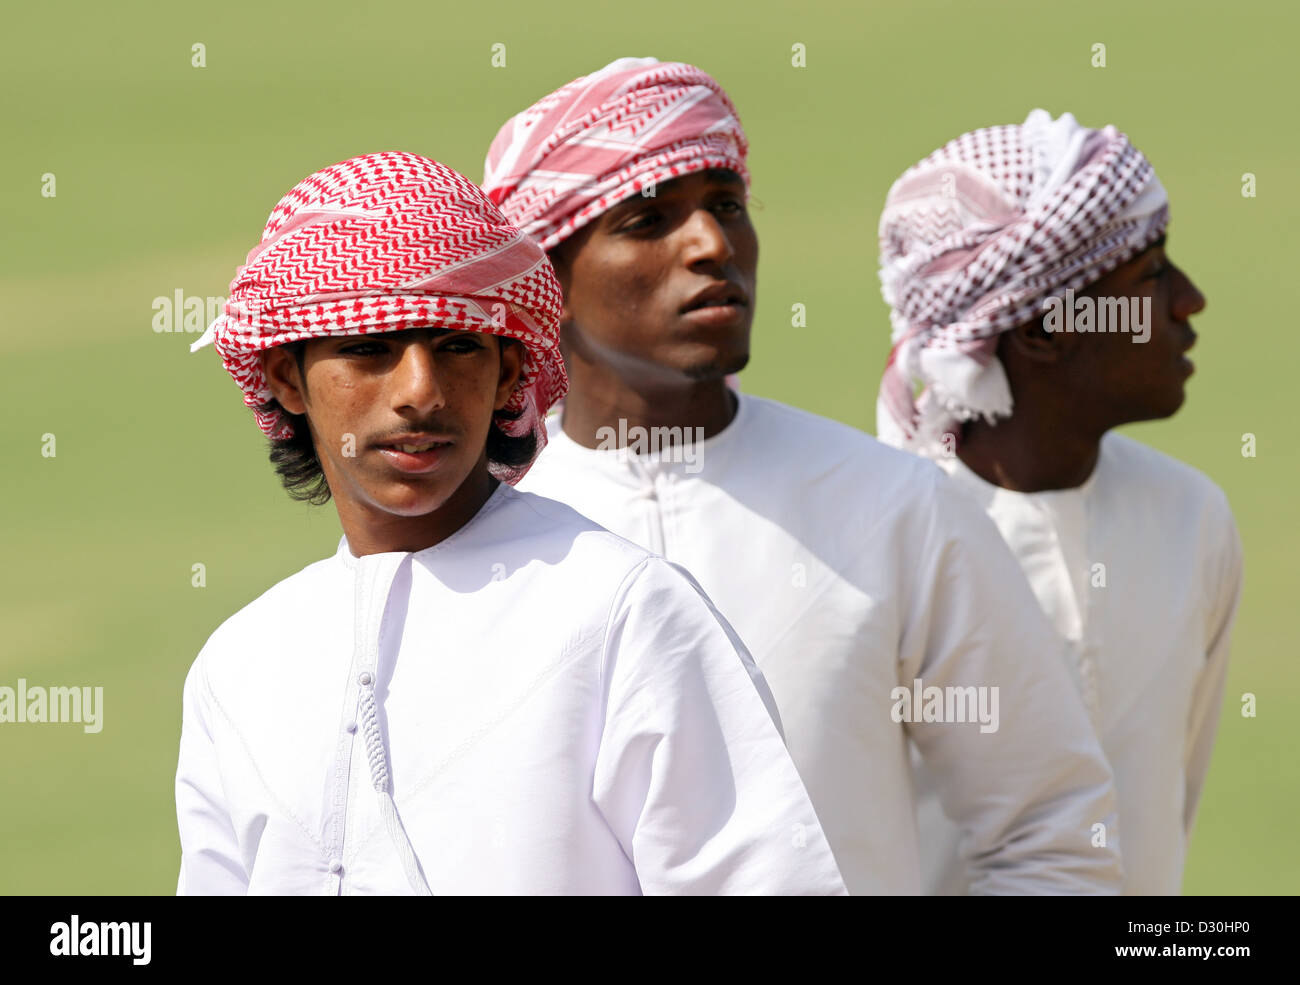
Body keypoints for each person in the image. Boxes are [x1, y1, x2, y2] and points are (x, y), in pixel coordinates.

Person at [484, 58, 1123, 894]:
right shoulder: (481, 544)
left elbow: (1052, 831)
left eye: (726, 205)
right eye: (648, 219)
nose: (711, 245)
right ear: (546, 282)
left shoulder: (892, 506)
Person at [176, 151, 846, 895]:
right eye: (369, 348)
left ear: (510, 372)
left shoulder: (621, 609)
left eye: (458, 345)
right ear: (283, 378)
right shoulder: (241, 665)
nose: (420, 391)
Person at [876, 110, 1243, 894]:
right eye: (1149, 278)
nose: (1190, 300)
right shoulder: (885, 541)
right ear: (1043, 329)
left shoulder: (1192, 518)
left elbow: (1171, 817)